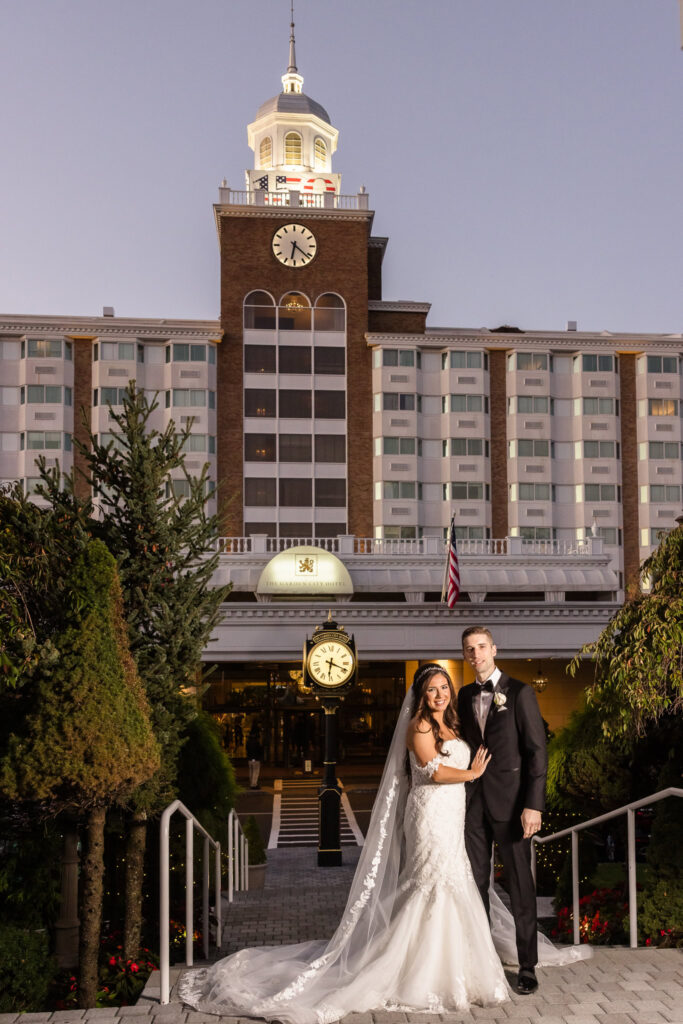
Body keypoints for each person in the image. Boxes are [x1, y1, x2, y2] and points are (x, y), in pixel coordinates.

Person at [179, 663, 588, 1023]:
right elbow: (430, 771)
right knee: (431, 884)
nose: (441, 694)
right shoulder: (420, 726)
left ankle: (458, 966)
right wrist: (471, 775)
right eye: (433, 689)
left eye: (444, 687)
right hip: (430, 813)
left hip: (452, 816)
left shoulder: (453, 722)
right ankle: (416, 971)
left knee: (456, 884)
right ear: (421, 695)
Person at [458, 626, 547, 995]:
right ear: (465, 655)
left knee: (519, 886)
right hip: (472, 803)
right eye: (469, 649)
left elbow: (537, 751)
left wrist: (533, 805)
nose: (476, 654)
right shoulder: (463, 696)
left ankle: (527, 967)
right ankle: (483, 959)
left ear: (494, 649)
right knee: (476, 884)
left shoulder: (520, 692)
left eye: (481, 646)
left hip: (512, 805)